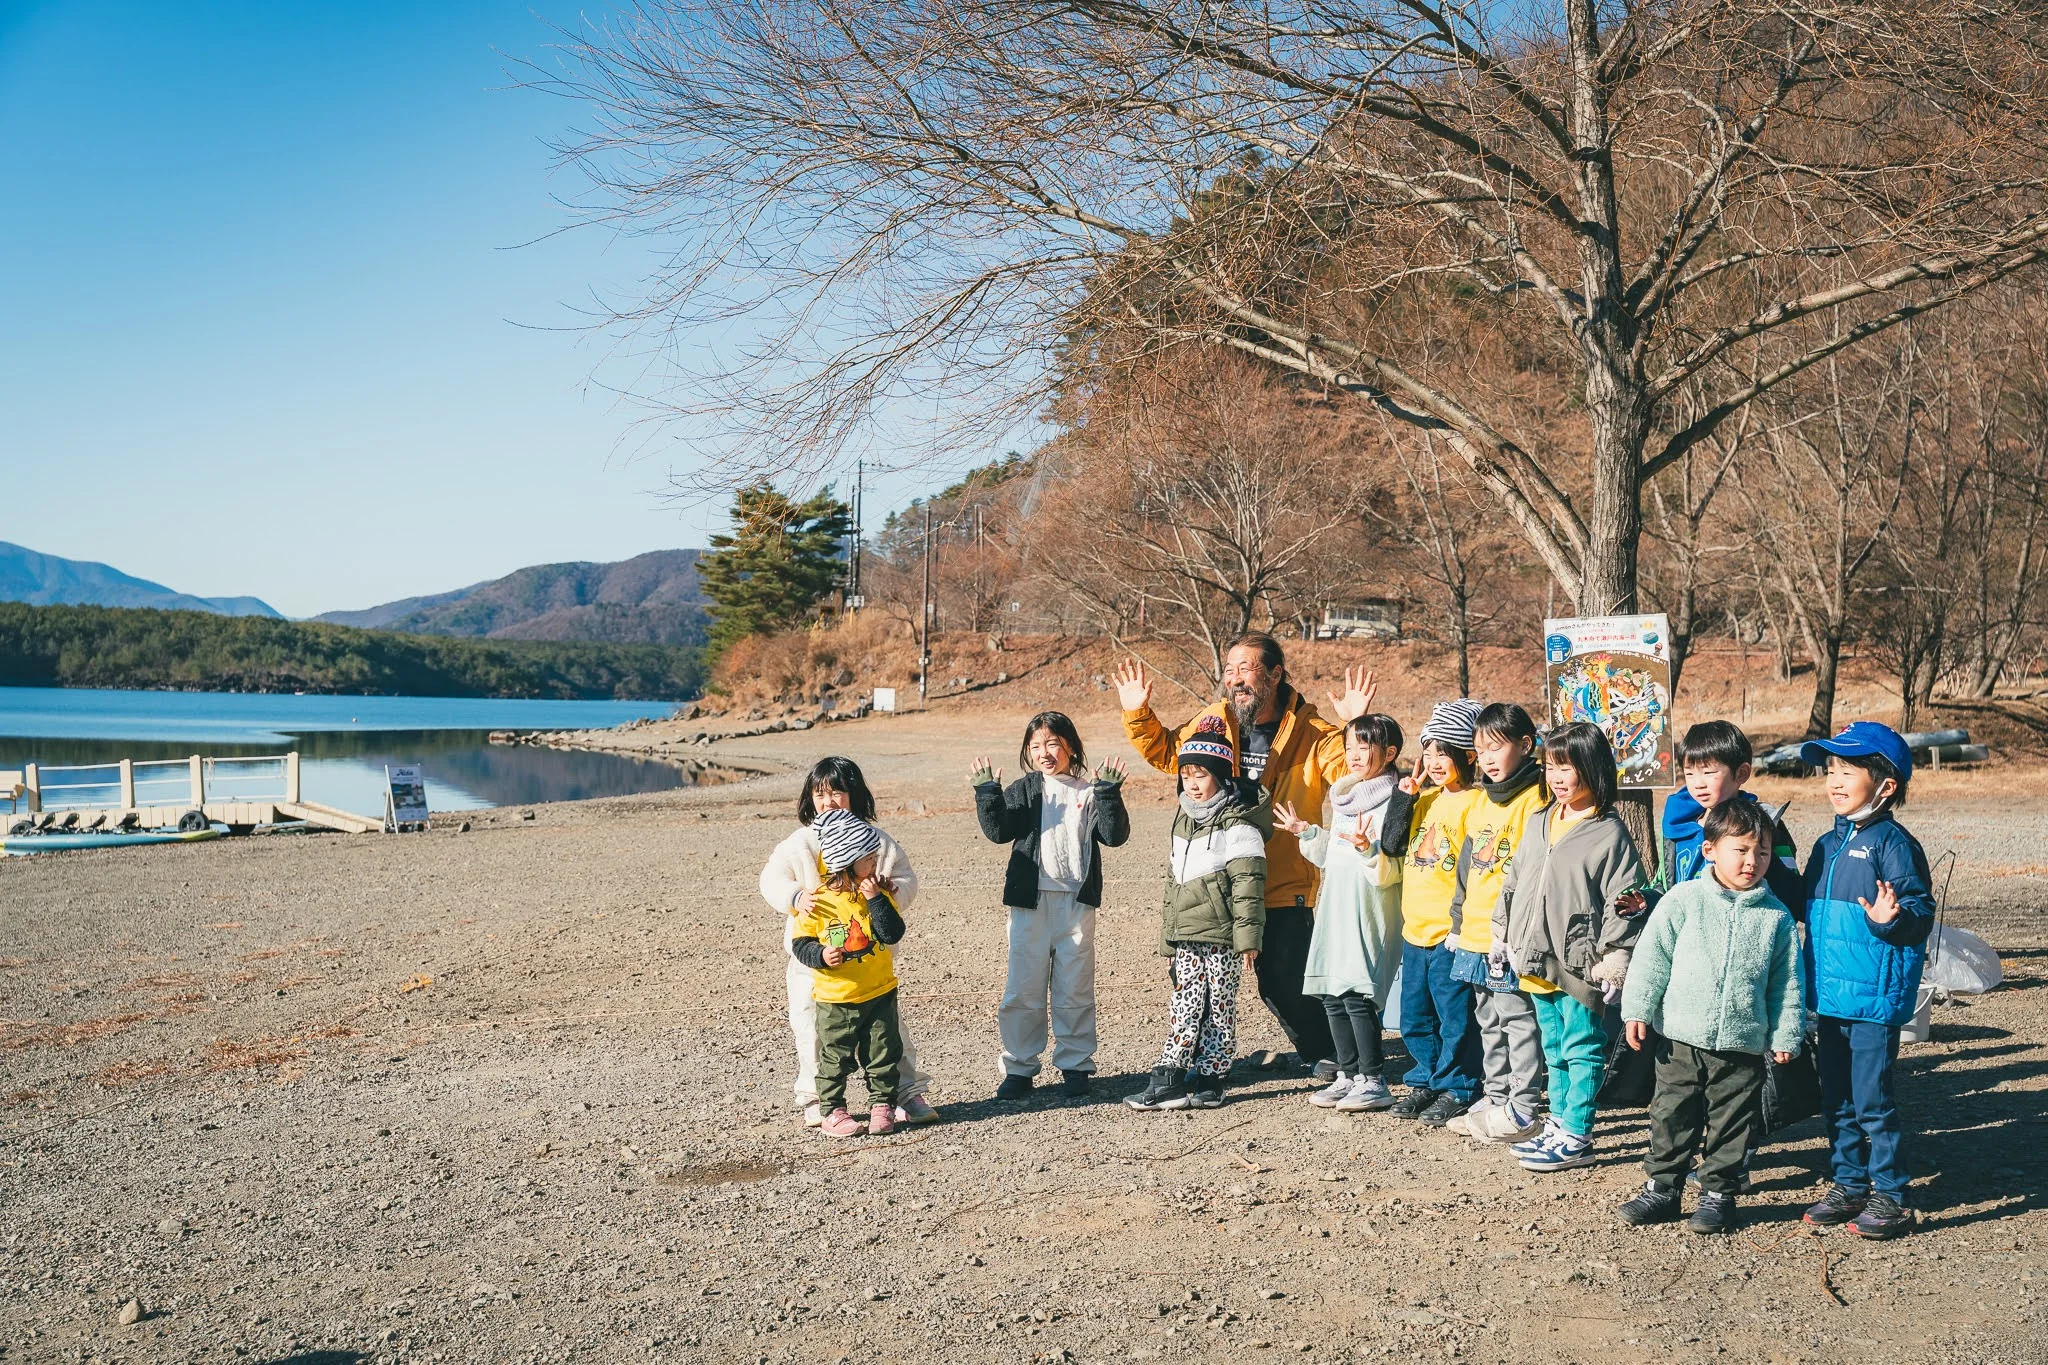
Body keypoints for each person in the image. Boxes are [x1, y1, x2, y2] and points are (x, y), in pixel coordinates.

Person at [1116, 640, 1376, 1075]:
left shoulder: (1314, 733)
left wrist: (1357, 726)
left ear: (1275, 675)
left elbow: (1354, 774)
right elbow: (1169, 754)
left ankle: (1325, 1053)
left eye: (1246, 668)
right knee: (1194, 979)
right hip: (1213, 883)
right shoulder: (1213, 720)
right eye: (1230, 669)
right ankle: (1199, 1062)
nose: (1234, 677)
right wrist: (1138, 713)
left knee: (1282, 980)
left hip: (1282, 881)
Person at [1617, 800, 1803, 1234]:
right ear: (1710, 850)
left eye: (1761, 853)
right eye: (1740, 850)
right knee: (1670, 1114)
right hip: (1681, 1037)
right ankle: (1663, 1188)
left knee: (1733, 1122)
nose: (1751, 862)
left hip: (1742, 1044)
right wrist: (1638, 1008)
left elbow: (1787, 983)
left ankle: (1719, 1194)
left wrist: (1786, 1034)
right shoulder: (1683, 901)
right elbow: (1651, 959)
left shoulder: (1774, 917)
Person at [1796, 721, 1935, 1240]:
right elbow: (1800, 902)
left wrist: (1889, 920)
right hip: (1830, 996)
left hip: (1874, 998)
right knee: (1836, 1097)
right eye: (1830, 769)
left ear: (1885, 785)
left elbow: (1919, 912)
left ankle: (1893, 1194)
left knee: (1872, 1099)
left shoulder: (1894, 845)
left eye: (1848, 769)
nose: (1834, 779)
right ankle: (1849, 1182)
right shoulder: (1826, 844)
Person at [1493, 722, 1649, 1172]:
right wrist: (1502, 932)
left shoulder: (1609, 832)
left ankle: (1579, 1134)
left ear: (1593, 768)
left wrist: (1615, 957)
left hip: (1580, 960)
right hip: (1534, 954)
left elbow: (1626, 900)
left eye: (1567, 766)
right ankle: (1559, 1124)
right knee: (1554, 1044)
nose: (1557, 777)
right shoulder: (1540, 820)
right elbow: (1515, 880)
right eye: (1551, 766)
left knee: (1583, 1045)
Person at [759, 757, 938, 1128]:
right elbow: (771, 878)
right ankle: (817, 1098)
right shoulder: (800, 843)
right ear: (810, 799)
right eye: (820, 794)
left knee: (888, 1031)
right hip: (816, 961)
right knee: (813, 1028)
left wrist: (888, 893)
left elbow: (906, 878)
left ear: (855, 796)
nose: (829, 801)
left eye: (837, 792)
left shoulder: (875, 840)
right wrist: (794, 896)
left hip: (872, 964)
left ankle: (903, 1092)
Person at [971, 711, 1132, 1101]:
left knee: (1074, 988)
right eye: (1036, 746)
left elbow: (1115, 836)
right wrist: (988, 793)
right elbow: (998, 832)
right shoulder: (1025, 788)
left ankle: (1076, 1066)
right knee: (1023, 988)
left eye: (1053, 744)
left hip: (1076, 903)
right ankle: (1019, 1067)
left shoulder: (1088, 790)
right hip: (1030, 903)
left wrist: (1109, 795)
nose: (1045, 753)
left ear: (1071, 746)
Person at [1126, 716, 1267, 1112]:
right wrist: (1167, 938)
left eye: (1201, 774)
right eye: (1186, 774)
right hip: (1187, 934)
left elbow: (1249, 886)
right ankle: (1171, 1073)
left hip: (1222, 937)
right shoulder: (1183, 821)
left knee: (1220, 1005)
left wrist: (1248, 939)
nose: (1192, 782)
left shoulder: (1238, 825)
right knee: (1185, 1001)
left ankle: (1211, 1078)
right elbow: (1173, 883)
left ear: (1220, 777)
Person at [1274, 714, 1406, 1113]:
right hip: (1335, 905)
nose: (1353, 755)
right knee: (1331, 992)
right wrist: (1308, 833)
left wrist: (1369, 849)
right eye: (1349, 747)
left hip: (1367, 908)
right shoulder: (1346, 796)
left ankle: (1373, 1078)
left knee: (1357, 994)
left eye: (1363, 747)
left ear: (1390, 753)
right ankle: (1348, 1073)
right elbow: (1334, 854)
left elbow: (1392, 869)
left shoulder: (1397, 800)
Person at [1445, 702, 1548, 1143]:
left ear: (1525, 746)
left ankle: (1524, 1103)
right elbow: (1467, 868)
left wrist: (1514, 930)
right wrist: (1456, 919)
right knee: (1487, 1016)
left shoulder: (1536, 799)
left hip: (1508, 934)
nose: (1486, 758)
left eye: (1496, 747)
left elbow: (1537, 872)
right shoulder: (1482, 800)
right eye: (1479, 749)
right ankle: (1496, 1093)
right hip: (1473, 930)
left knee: (1516, 1017)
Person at [1384, 700, 1485, 1125]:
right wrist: (1402, 801)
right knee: (1414, 1016)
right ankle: (1425, 1078)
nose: (1433, 761)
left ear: (1470, 755)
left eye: (1444, 752)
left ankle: (1458, 1086)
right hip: (1415, 929)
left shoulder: (1477, 803)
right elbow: (1391, 845)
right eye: (1428, 751)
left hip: (1449, 931)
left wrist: (1460, 926)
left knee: (1455, 1017)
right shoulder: (1421, 800)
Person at [788, 809, 910, 1138]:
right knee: (835, 1057)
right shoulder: (819, 903)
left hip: (880, 991)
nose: (875, 863)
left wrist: (876, 899)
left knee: (884, 1051)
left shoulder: (877, 894)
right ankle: (833, 1111)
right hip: (835, 997)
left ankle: (883, 1105)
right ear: (847, 861)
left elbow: (892, 933)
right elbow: (800, 943)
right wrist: (820, 955)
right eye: (869, 858)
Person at [1655, 720, 1803, 911]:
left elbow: (1792, 895)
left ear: (1741, 773)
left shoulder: (1764, 824)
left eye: (1708, 772)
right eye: (1689, 773)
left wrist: (1757, 850)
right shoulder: (1678, 826)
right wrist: (1645, 900)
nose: (1698, 783)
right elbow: (1666, 886)